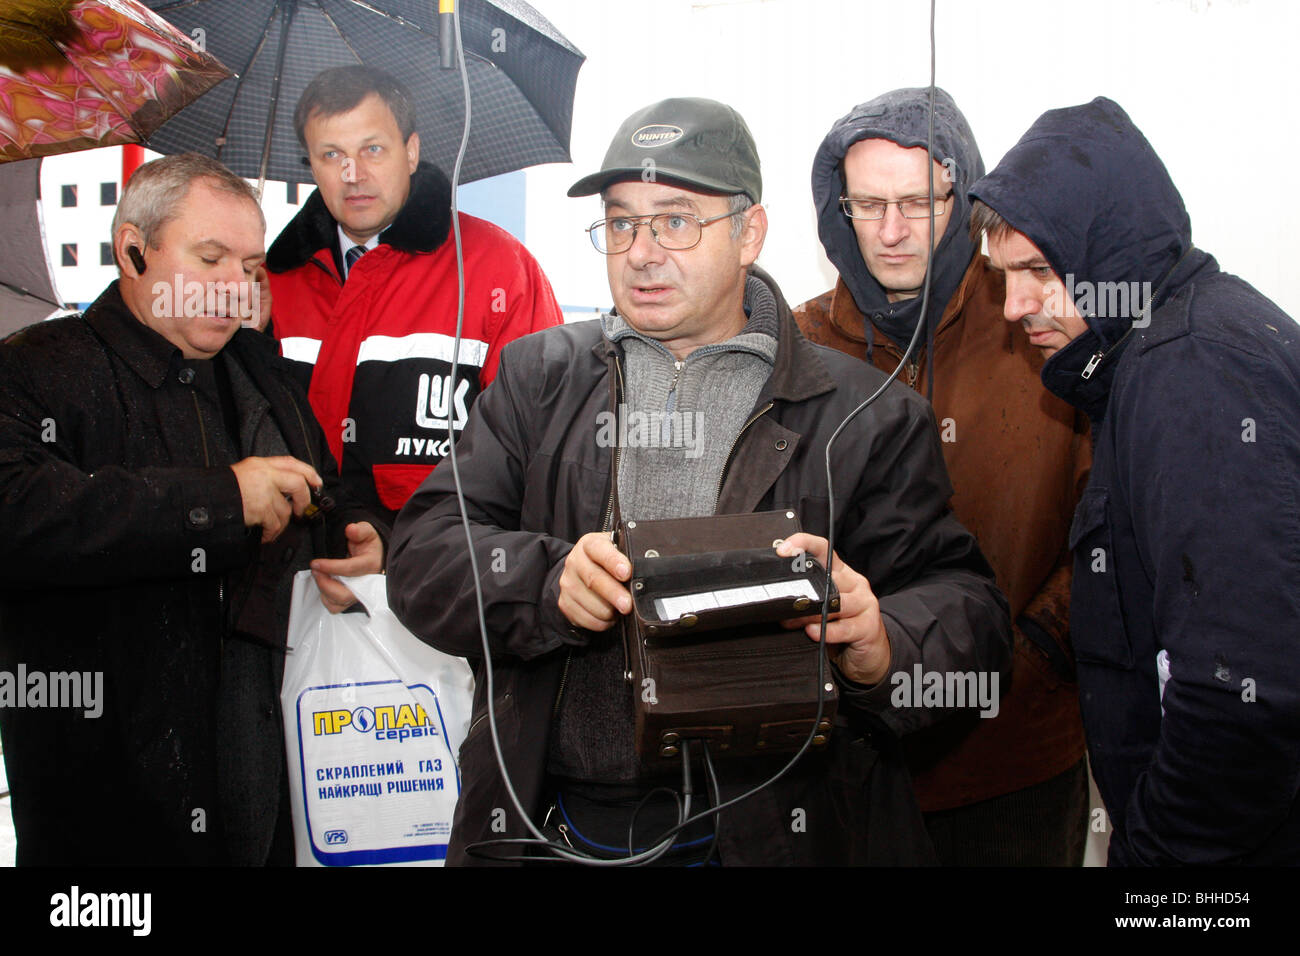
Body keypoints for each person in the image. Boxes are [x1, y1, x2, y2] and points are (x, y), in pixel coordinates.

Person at [387, 97, 1011, 866]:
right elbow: (421, 553)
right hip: (555, 828)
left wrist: (886, 640)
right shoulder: (535, 379)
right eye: (621, 223)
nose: (642, 252)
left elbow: (970, 606)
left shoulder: (865, 414)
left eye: (676, 221)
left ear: (750, 233)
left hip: (769, 832)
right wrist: (546, 583)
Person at [0, 153, 385, 866]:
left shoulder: (261, 371)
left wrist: (366, 538)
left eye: (249, 266)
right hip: (106, 811)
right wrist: (220, 502)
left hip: (271, 784)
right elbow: (17, 513)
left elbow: (335, 487)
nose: (235, 289)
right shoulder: (37, 367)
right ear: (134, 250)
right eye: (210, 259)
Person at [969, 96, 1300, 865]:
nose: (1015, 306)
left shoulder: (1195, 369)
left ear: (1109, 255)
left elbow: (1241, 694)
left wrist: (1156, 871)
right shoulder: (1166, 351)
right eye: (1002, 276)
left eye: (1039, 272)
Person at [795, 88, 1091, 865]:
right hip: (844, 768)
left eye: (917, 202)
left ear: (964, 197)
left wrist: (1037, 652)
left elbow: (1115, 524)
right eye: (867, 204)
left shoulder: (1038, 324)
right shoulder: (798, 343)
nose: (891, 231)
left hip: (1016, 759)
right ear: (838, 207)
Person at [265, 66, 564, 525]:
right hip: (290, 576)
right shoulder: (271, 280)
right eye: (331, 154)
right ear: (310, 163)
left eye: (373, 149)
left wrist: (394, 546)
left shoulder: (500, 269)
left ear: (411, 151)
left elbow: (540, 452)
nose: (353, 174)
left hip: (442, 581)